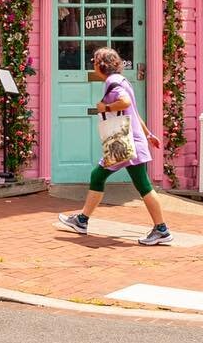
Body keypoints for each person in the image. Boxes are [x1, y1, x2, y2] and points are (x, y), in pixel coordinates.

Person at [56, 48, 173, 246]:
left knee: (142, 186)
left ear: (101, 66)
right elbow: (133, 112)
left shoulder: (112, 82)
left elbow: (124, 103)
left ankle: (162, 229)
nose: (93, 65)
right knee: (100, 175)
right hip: (132, 141)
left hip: (125, 144)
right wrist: (149, 135)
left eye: (94, 62)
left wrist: (105, 108)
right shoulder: (122, 80)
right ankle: (82, 220)